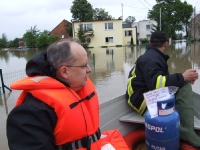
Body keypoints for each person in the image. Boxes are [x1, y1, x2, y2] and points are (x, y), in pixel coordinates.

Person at [7, 38, 129, 150]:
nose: (89, 70)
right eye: (84, 65)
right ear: (64, 71)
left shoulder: (78, 85)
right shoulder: (31, 113)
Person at [126, 31, 200, 148]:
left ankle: (181, 124)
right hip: (142, 102)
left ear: (150, 43)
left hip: (141, 98)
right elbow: (156, 83)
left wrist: (183, 78)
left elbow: (161, 81)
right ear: (166, 44)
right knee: (184, 84)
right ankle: (186, 131)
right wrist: (183, 77)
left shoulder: (151, 56)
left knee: (182, 82)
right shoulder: (151, 58)